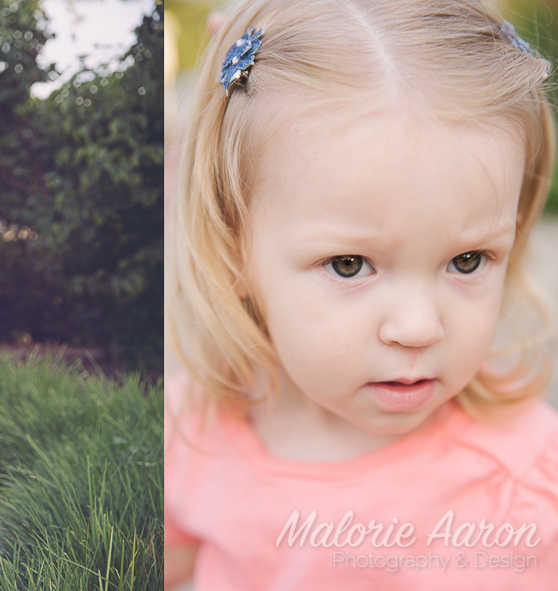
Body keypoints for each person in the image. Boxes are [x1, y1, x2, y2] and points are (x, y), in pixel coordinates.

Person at [165, 0, 558, 588]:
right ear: (232, 250)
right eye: (349, 265)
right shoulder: (186, 434)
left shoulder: (528, 480)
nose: (419, 326)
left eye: (467, 260)